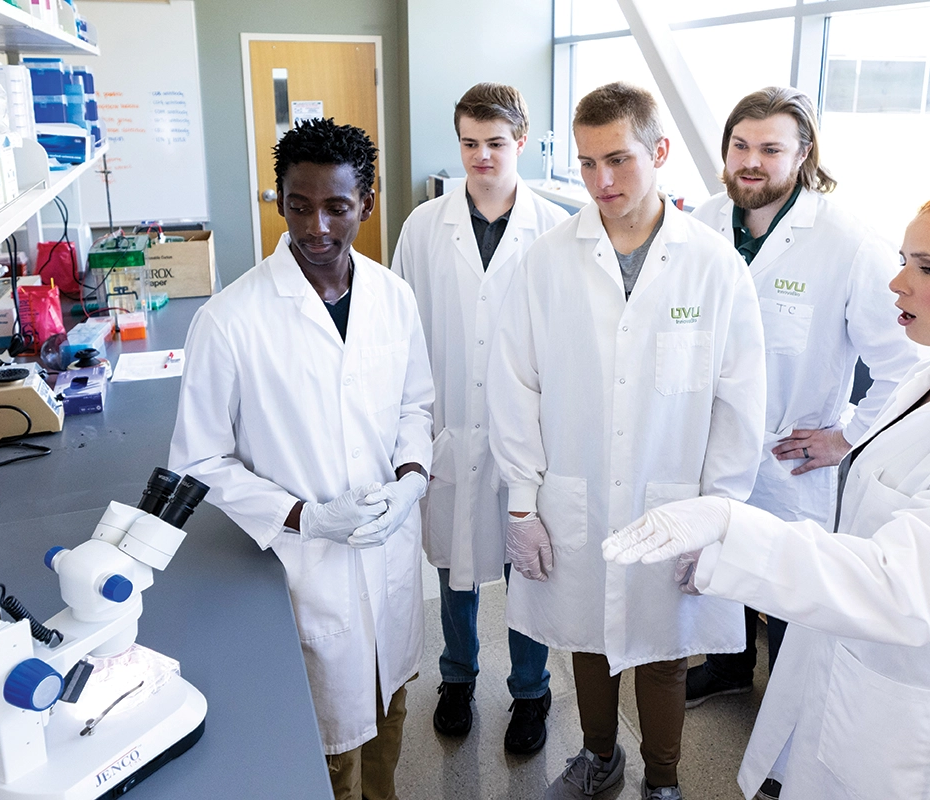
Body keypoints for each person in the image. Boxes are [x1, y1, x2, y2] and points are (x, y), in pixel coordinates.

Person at [603, 170, 930, 800]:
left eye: (925, 268)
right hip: (853, 675)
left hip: (928, 723)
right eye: (903, 261)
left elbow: (903, 588)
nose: (897, 282)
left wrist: (733, 528)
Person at [487, 82, 767, 800]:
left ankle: (664, 783)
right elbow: (515, 384)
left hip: (672, 493)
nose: (601, 182)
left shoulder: (712, 265)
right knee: (585, 633)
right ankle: (601, 759)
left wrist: (720, 515)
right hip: (571, 486)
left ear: (661, 152)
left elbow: (739, 404)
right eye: (586, 164)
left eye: (618, 160)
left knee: (665, 649)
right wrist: (521, 501)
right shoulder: (548, 261)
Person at [169, 118, 433, 800]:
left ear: (367, 204)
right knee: (327, 746)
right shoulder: (230, 319)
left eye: (337, 206)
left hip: (388, 554)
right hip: (302, 569)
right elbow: (199, 458)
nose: (316, 226)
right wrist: (305, 517)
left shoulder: (394, 299)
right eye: (299, 205)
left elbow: (415, 408)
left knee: (389, 710)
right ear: (278, 201)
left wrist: (410, 482)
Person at [687, 86, 925, 712]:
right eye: (740, 145)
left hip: (789, 460)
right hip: (709, 446)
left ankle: (789, 725)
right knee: (721, 565)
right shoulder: (703, 224)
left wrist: (847, 435)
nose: (751, 161)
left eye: (770, 148)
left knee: (793, 593)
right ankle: (728, 666)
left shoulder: (849, 244)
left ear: (804, 154)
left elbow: (907, 365)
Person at [392, 82, 569, 753]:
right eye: (470, 143)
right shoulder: (423, 226)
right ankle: (458, 677)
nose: (482, 156)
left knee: (530, 566)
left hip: (531, 433)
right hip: (451, 426)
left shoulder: (554, 229)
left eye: (496, 143)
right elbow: (403, 333)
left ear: (521, 141)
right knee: (454, 566)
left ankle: (531, 690)